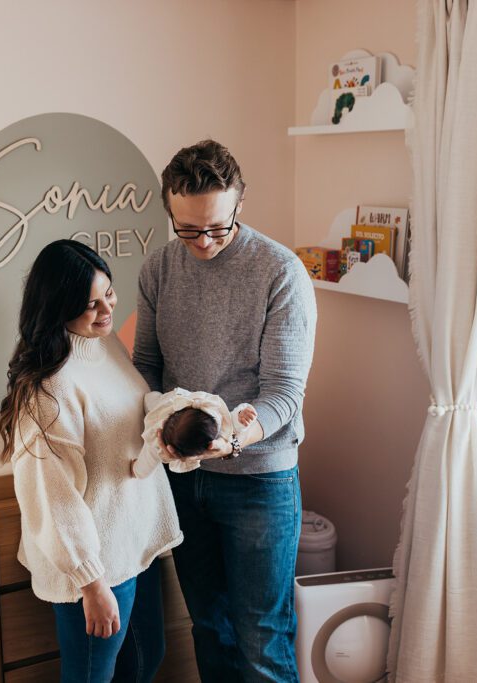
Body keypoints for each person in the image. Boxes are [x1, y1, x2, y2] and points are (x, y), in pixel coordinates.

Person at [133, 140, 317, 682]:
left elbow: (284, 391)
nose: (205, 242)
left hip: (258, 480)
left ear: (240, 203)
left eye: (218, 226)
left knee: (262, 635)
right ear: (170, 211)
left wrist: (235, 437)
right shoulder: (159, 270)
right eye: (188, 230)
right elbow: (146, 365)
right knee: (209, 628)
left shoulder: (280, 272)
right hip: (186, 479)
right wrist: (157, 424)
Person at [0, 239, 183, 683]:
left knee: (145, 659)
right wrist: (91, 583)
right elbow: (52, 497)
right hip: (96, 562)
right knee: (90, 677)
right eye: (89, 304)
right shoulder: (49, 391)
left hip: (132, 541)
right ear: (58, 307)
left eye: (109, 294)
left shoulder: (106, 345)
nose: (106, 311)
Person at [130, 388, 258, 477]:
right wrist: (136, 470)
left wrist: (241, 418)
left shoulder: (212, 413)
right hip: (167, 402)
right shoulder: (158, 438)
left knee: (151, 398)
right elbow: (230, 422)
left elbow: (231, 424)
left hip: (169, 402)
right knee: (151, 399)